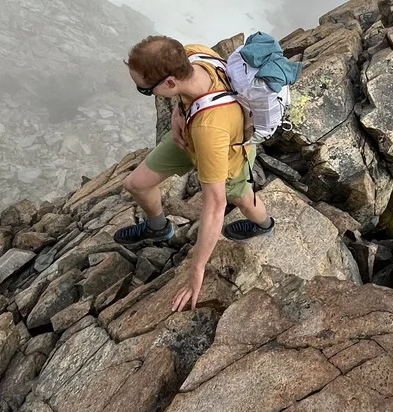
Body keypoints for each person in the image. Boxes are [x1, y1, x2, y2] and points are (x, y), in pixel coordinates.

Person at [115, 36, 274, 313]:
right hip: (188, 137)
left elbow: (215, 205)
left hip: (225, 155)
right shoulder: (194, 54)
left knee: (243, 199)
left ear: (170, 83)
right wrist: (179, 110)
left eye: (145, 90)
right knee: (136, 184)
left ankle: (265, 225)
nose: (144, 93)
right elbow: (194, 90)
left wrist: (196, 269)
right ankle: (158, 228)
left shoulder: (209, 129)